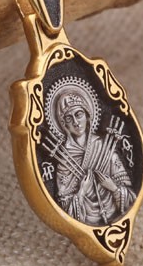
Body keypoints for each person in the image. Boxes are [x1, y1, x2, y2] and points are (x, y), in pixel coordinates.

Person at [54, 92, 136, 226]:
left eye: (79, 114)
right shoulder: (64, 160)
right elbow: (65, 209)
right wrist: (82, 191)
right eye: (69, 118)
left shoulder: (103, 146)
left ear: (87, 116)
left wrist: (113, 188)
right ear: (64, 125)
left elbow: (131, 196)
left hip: (114, 212)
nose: (75, 122)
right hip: (85, 223)